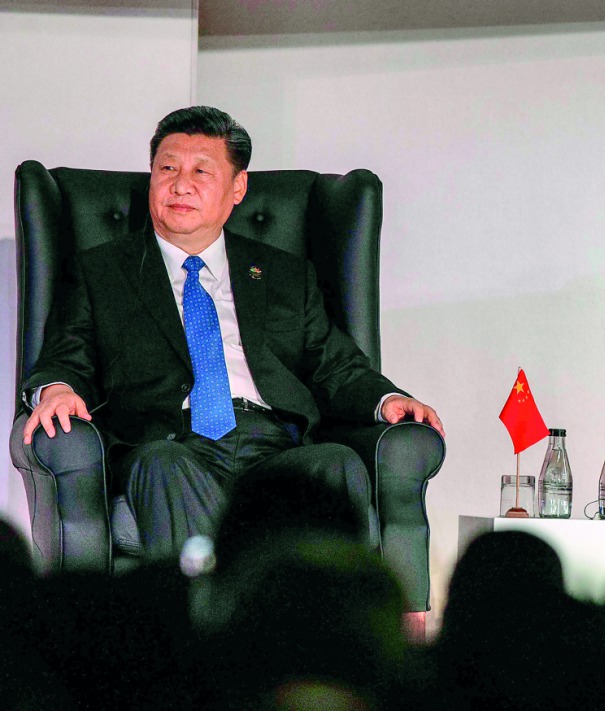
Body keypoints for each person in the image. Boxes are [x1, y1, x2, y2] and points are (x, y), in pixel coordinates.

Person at [21, 105, 444, 560]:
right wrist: (57, 388)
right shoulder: (102, 272)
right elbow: (68, 354)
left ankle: (319, 605)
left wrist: (387, 398)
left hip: (274, 441)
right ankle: (211, 606)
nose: (180, 185)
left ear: (237, 187)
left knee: (334, 463)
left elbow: (335, 365)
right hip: (171, 443)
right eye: (167, 169)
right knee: (162, 465)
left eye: (201, 171)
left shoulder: (284, 274)